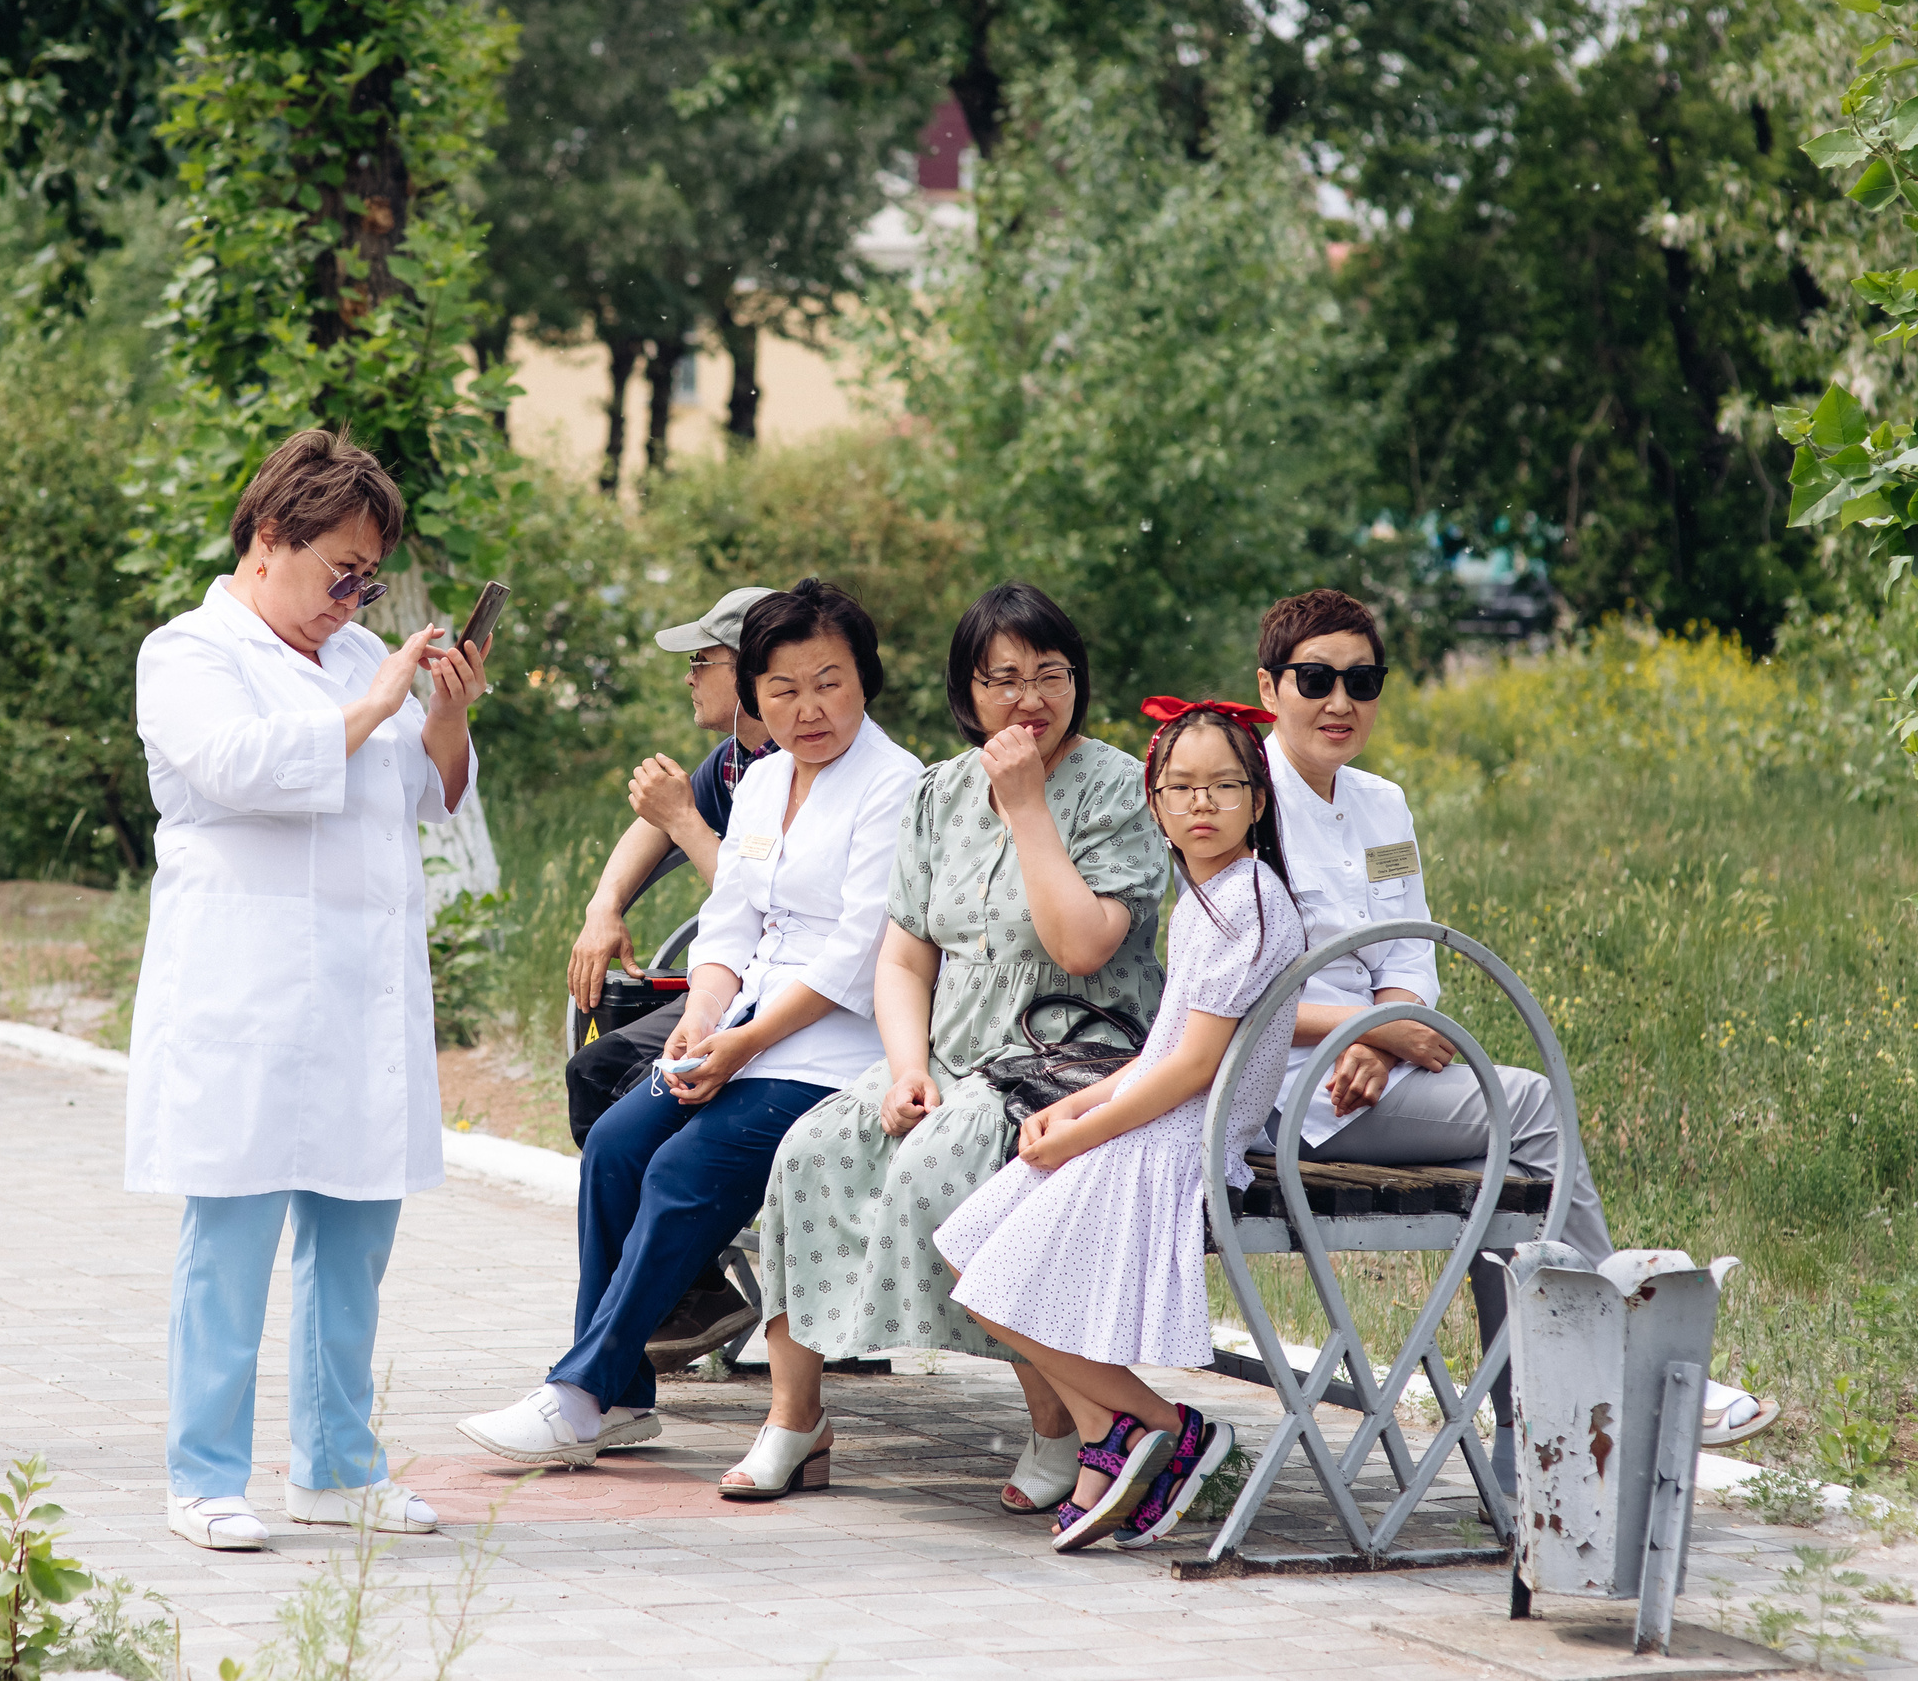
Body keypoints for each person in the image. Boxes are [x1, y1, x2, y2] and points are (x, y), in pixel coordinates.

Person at [1249, 588, 1775, 1478]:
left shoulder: (1383, 804)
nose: (1340, 702)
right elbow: (1231, 999)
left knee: (1513, 1179)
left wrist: (1385, 1036)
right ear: (1270, 688)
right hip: (1291, 1095)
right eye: (1315, 679)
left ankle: (1523, 1438)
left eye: (1362, 680)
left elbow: (1410, 946)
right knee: (1523, 1104)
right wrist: (1373, 1032)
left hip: (1381, 1073)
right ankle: (1636, 1362)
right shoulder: (1238, 797)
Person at [459, 579, 922, 1469]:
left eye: (829, 681)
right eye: (782, 689)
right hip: (743, 1026)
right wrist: (702, 1017)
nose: (808, 707)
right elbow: (733, 923)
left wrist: (740, 1042)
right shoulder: (764, 780)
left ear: (865, 678)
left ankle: (576, 1392)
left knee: (679, 1167)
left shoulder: (895, 784)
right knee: (619, 1145)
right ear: (754, 696)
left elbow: (857, 952)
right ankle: (624, 1395)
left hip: (837, 1049)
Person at [125, 428, 489, 1554]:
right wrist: (378, 702)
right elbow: (239, 768)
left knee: (354, 1237)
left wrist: (442, 716)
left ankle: (337, 1467)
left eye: (368, 579)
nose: (354, 597)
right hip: (246, 993)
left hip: (361, 998)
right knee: (228, 1239)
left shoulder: (354, 659)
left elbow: (429, 803)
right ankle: (204, 1475)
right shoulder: (188, 652)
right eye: (340, 572)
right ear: (269, 539)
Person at [734, 582, 1167, 1508]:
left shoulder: (1119, 787)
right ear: (966, 695)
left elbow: (1082, 943)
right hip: (952, 1058)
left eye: (1049, 674)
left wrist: (1025, 807)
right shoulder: (937, 792)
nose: (1029, 699)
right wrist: (905, 1068)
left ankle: (1060, 1425)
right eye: (1001, 679)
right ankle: (793, 1416)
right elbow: (902, 956)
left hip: (1067, 1062)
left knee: (944, 1168)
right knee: (811, 1152)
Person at [935, 698, 1307, 1553]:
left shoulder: (1249, 898)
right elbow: (1161, 1051)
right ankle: (1117, 1433)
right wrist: (1071, 1105)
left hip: (1187, 1143)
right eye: (1181, 787)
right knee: (971, 1248)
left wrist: (1080, 1136)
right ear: (1157, 802)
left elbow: (1193, 1068)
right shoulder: (1205, 897)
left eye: (1224, 785)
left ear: (1258, 799)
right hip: (1156, 1121)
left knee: (996, 1275)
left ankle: (1166, 1425)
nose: (1201, 802)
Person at [563, 584, 777, 1366]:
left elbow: (769, 906)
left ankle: (675, 1291)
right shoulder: (734, 759)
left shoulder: (795, 764)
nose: (689, 677)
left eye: (701, 660)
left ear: (751, 668)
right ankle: (689, 1292)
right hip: (724, 983)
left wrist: (684, 819)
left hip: (778, 994)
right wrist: (603, 904)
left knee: (635, 1100)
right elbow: (647, 829)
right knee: (597, 1068)